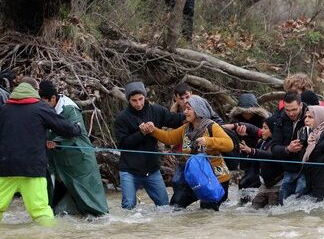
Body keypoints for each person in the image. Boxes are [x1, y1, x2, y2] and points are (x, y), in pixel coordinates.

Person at [0, 81, 81, 226]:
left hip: (5, 168)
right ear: (35, 90)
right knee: (41, 211)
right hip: (33, 169)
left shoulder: (4, 109)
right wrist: (76, 128)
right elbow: (64, 128)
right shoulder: (40, 108)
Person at [149, 95, 233, 210]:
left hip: (215, 179)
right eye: (185, 109)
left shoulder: (212, 126)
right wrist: (153, 130)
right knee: (176, 205)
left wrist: (208, 141)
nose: (185, 112)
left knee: (208, 212)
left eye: (188, 109)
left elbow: (229, 144)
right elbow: (169, 137)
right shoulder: (186, 128)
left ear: (198, 110)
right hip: (195, 178)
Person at [39, 80, 109, 216]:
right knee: (55, 203)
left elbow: (75, 133)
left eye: (44, 102)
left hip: (79, 161)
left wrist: (57, 143)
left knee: (92, 203)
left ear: (53, 98)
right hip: (59, 164)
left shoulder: (69, 108)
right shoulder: (48, 109)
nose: (42, 106)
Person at [113, 81, 184, 209]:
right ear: (129, 100)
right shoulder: (122, 118)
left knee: (164, 207)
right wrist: (141, 133)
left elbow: (175, 120)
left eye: (141, 99)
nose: (138, 103)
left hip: (152, 170)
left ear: (145, 97)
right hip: (129, 171)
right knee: (128, 207)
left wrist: (191, 116)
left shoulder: (156, 110)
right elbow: (123, 144)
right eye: (134, 100)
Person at [223, 93, 270, 190]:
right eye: (244, 112)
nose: (247, 114)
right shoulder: (234, 120)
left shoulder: (264, 120)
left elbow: (265, 137)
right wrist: (238, 136)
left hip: (257, 152)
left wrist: (248, 135)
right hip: (241, 154)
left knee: (253, 179)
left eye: (249, 112)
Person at [271, 91, 309, 204]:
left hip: (307, 170)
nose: (291, 113)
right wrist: (288, 149)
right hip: (288, 168)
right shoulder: (280, 119)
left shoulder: (311, 116)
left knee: (300, 204)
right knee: (283, 203)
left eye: (294, 109)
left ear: (300, 105)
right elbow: (274, 147)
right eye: (287, 110)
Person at [239, 116, 283, 208]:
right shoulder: (262, 142)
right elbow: (254, 157)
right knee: (253, 208)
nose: (262, 130)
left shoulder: (278, 144)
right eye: (262, 127)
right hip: (264, 185)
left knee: (273, 211)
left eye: (265, 128)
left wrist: (251, 151)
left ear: (273, 129)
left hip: (277, 186)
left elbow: (269, 155)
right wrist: (245, 148)